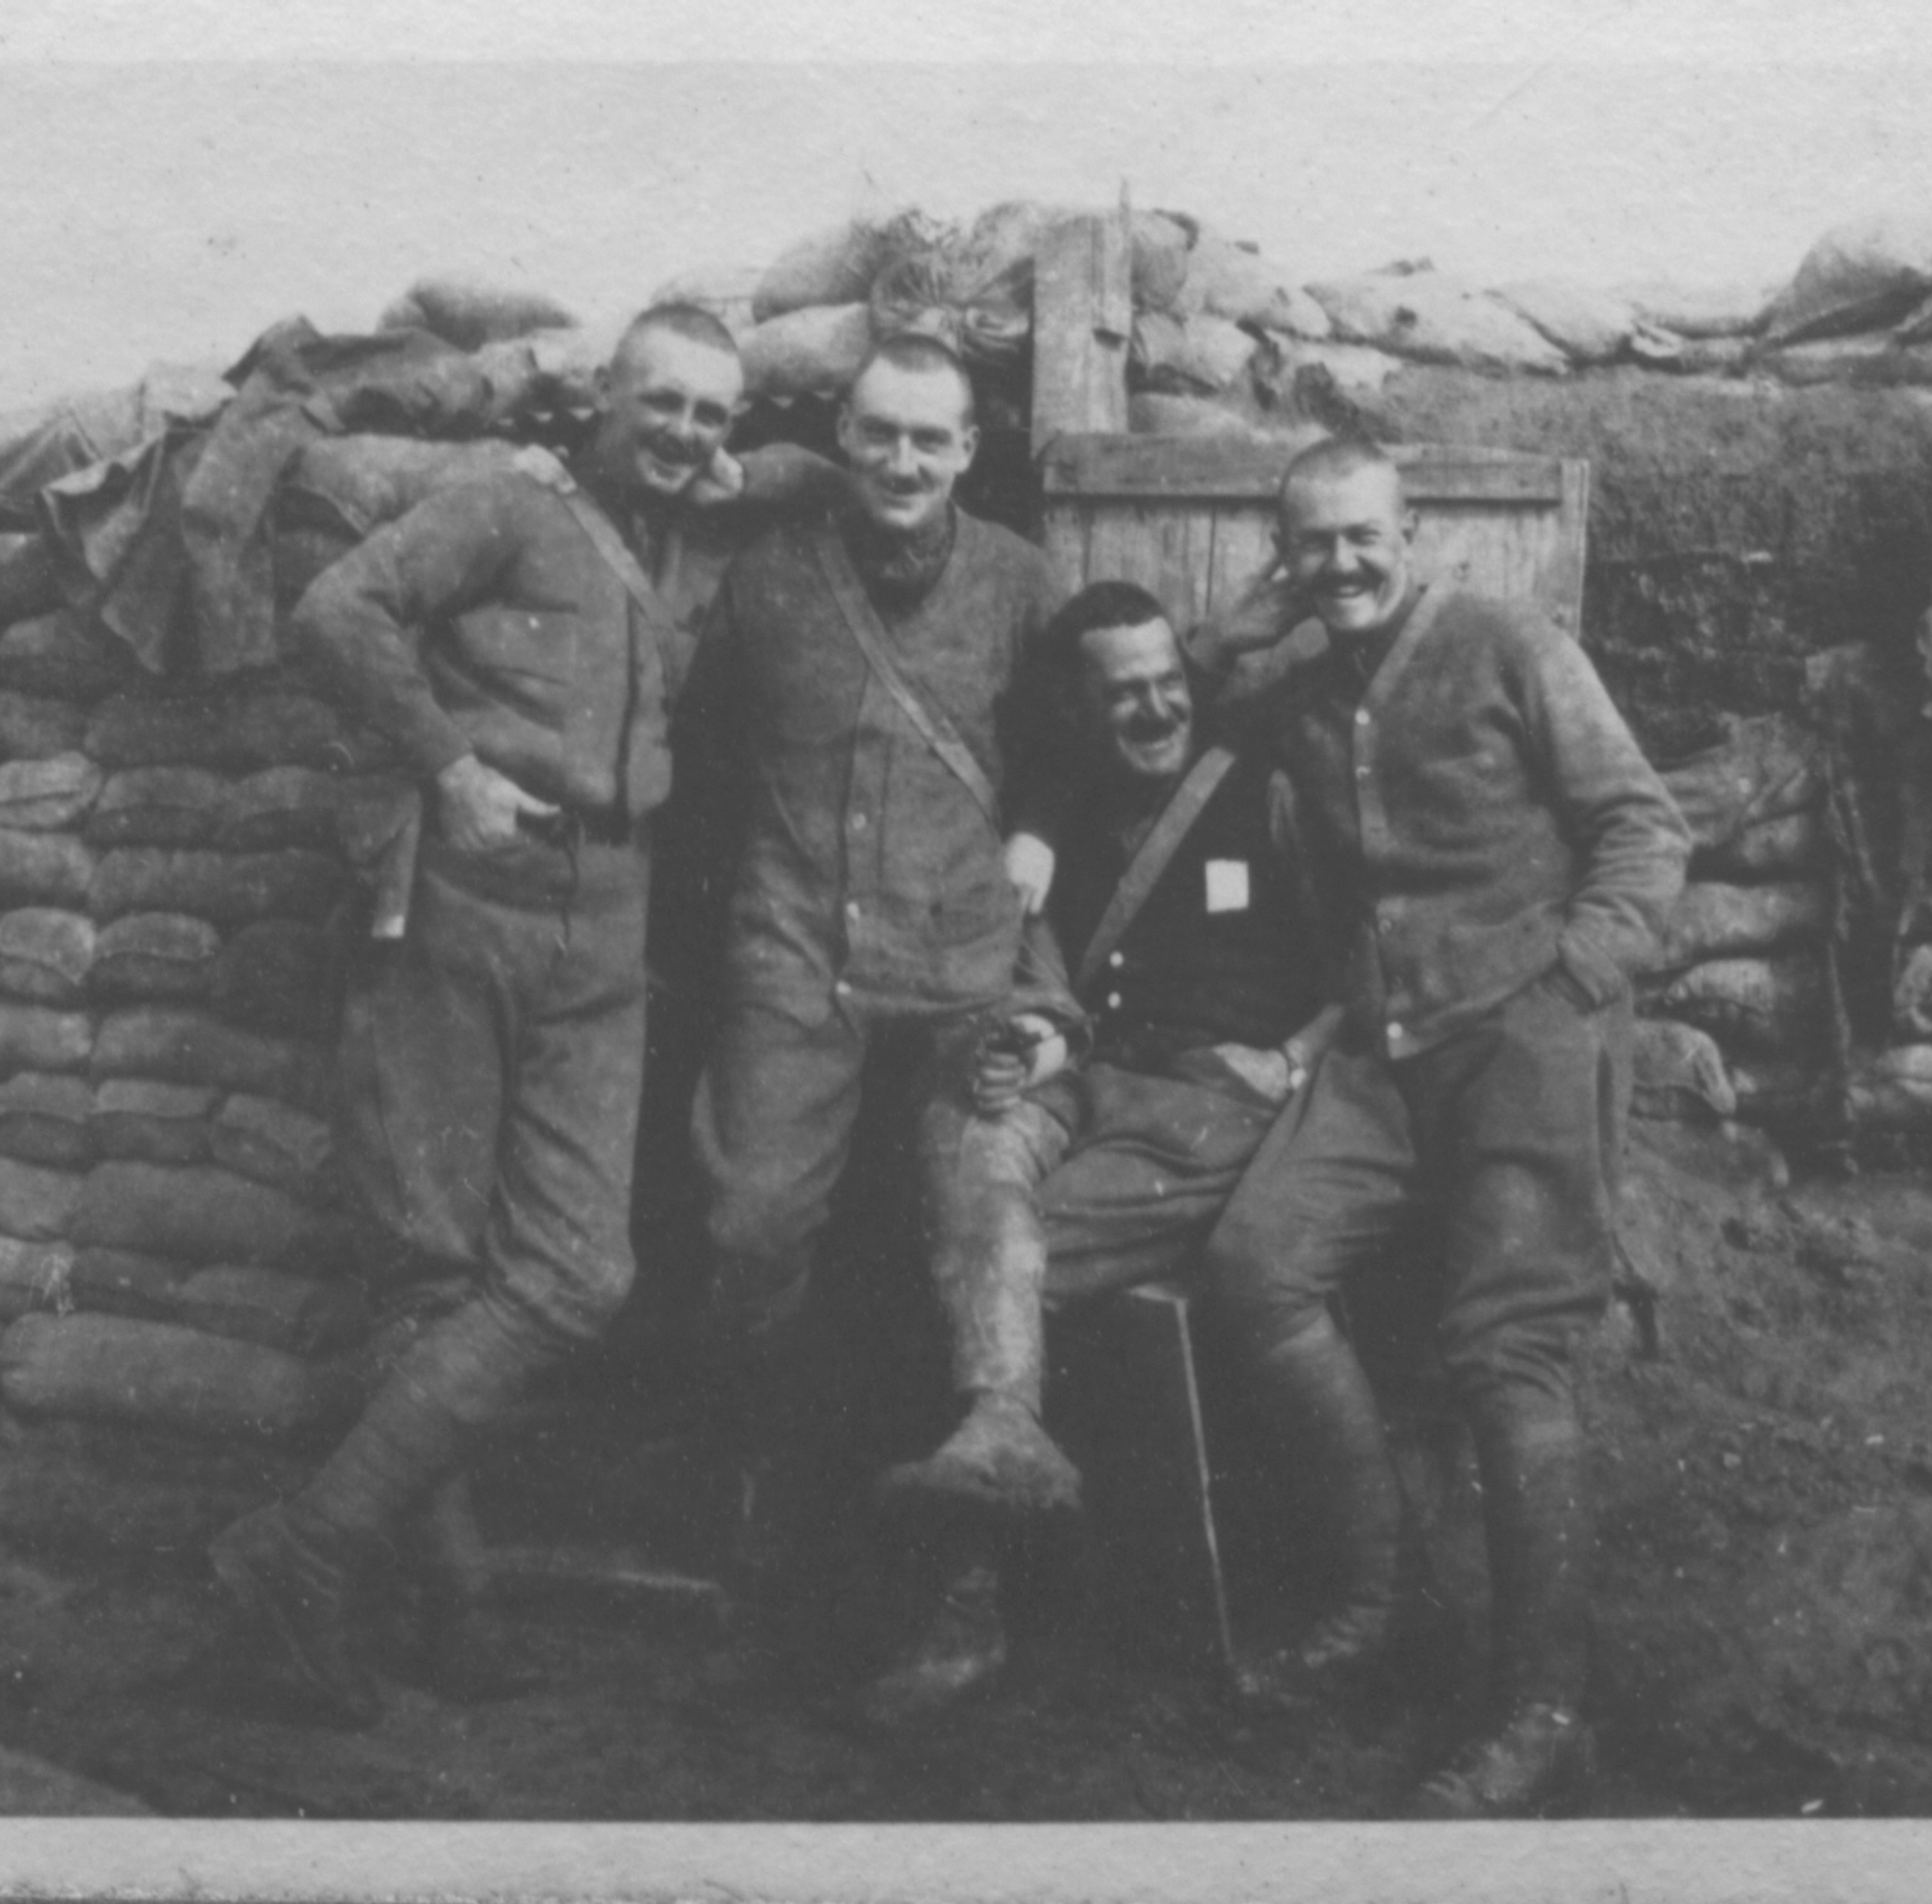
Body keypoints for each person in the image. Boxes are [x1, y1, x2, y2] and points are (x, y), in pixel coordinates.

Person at [208, 304, 827, 1727]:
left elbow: (817, 488)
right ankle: (456, 1604)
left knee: (573, 1271)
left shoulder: (696, 548)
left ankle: (306, 1552)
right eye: (661, 404)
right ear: (602, 401)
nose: (683, 434)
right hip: (463, 900)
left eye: (712, 417)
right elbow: (332, 609)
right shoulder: (502, 506)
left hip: (607, 925)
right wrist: (445, 767)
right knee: (430, 1271)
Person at [1188, 438, 1689, 1815]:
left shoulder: (1507, 643)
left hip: (1523, 1038)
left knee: (1506, 1349)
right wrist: (1245, 615)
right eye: (1312, 545)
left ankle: (1542, 1704)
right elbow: (1195, 695)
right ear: (1281, 555)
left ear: (1411, 537)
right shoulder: (1298, 686)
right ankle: (1373, 1604)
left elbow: (1645, 830)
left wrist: (1575, 984)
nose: (1341, 566)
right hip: (1381, 1054)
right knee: (1255, 1266)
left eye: (1365, 539)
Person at [860, 580, 1342, 1723]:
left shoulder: (1262, 790)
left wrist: (1294, 1058)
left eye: (1168, 684)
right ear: (1078, 707)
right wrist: (1025, 1041)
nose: (1153, 711)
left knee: (984, 1259)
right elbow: (1047, 977)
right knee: (960, 1132)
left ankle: (968, 1607)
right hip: (1086, 1075)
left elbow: (1358, 962)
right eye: (1122, 694)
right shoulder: (1055, 808)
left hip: (1210, 1101)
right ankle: (1003, 1439)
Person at [679, 333, 1071, 1616]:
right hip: (796, 955)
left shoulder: (1020, 583)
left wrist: (1037, 834)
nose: (901, 461)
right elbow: (705, 751)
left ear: (967, 452)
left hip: (961, 962)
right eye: (878, 433)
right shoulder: (767, 578)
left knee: (961, 1220)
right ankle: (767, 1465)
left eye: (929, 439)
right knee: (753, 1228)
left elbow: (1071, 742)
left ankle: (964, 1543)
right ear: (840, 438)